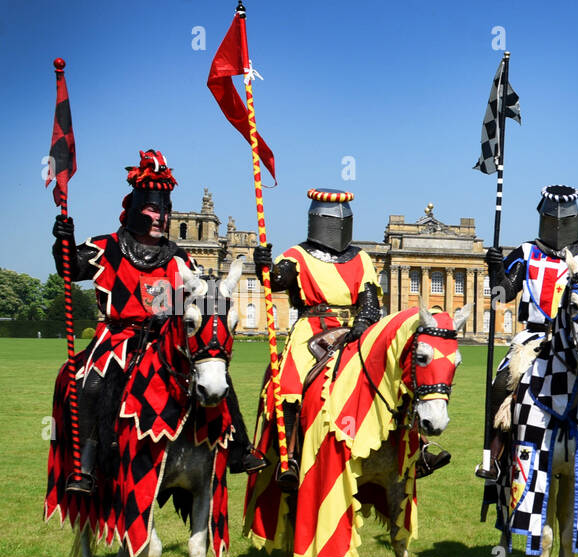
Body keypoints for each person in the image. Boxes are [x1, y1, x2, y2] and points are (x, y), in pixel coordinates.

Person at [52, 149, 265, 494]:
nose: (160, 217)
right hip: (118, 337)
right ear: (136, 209)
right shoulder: (107, 247)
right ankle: (86, 465)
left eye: (164, 211)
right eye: (153, 209)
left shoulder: (179, 256)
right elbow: (69, 269)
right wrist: (62, 240)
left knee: (216, 373)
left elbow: (205, 294)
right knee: (90, 384)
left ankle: (240, 447)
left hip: (165, 338)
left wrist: (261, 267)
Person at [252, 188, 449, 490]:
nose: (339, 225)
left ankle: (418, 448)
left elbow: (370, 300)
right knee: (289, 384)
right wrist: (263, 264)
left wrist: (365, 322)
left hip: (354, 329)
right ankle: (288, 456)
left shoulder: (361, 258)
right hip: (312, 329)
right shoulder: (297, 255)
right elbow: (276, 281)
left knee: (397, 376)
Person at [477, 185, 578, 481]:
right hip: (535, 337)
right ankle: (495, 455)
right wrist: (495, 272)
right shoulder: (527, 252)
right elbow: (503, 295)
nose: (559, 224)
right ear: (544, 218)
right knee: (502, 383)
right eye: (554, 219)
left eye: (564, 219)